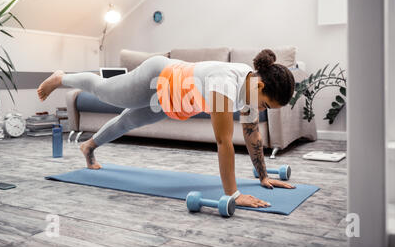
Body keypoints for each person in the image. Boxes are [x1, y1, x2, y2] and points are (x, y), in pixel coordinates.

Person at [37, 49, 296, 208]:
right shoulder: (225, 84)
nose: (261, 110)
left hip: (170, 100)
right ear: (260, 88)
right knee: (106, 91)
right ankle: (62, 77)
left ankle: (89, 147)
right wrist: (233, 194)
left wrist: (262, 177)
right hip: (157, 77)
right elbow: (223, 142)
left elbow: (252, 135)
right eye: (266, 105)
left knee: (129, 121)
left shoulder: (250, 86)